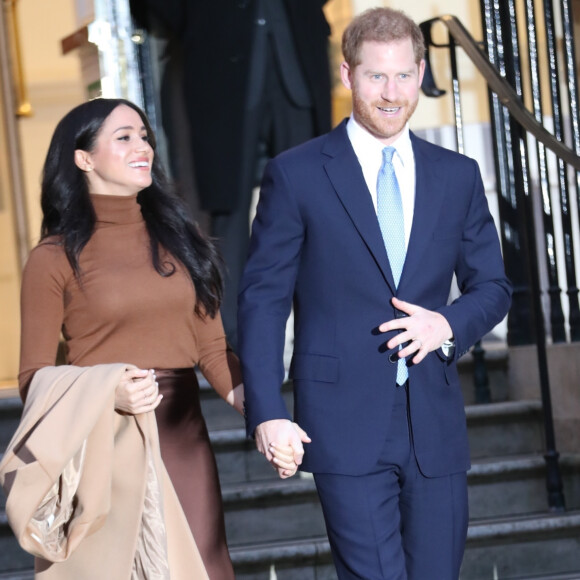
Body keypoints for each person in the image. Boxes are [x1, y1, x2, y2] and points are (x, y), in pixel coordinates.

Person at [238, 7, 512, 580]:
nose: (392, 94)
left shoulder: (457, 175)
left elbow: (493, 287)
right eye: (375, 77)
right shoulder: (297, 174)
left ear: (420, 74)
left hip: (434, 427)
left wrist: (448, 326)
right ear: (347, 76)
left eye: (404, 76)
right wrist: (267, 411)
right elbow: (264, 299)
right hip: (341, 423)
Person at [17, 98, 295, 579]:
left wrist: (267, 417)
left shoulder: (180, 239)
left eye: (144, 135)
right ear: (83, 158)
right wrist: (107, 387)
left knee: (204, 565)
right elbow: (32, 377)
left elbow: (211, 350)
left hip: (181, 435)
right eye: (123, 137)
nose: (142, 146)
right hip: (103, 440)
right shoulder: (53, 258)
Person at [138, 0, 333, 350]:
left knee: (313, 206)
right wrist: (198, 17)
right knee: (226, 207)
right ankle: (233, 341)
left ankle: (322, 331)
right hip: (220, 63)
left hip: (296, 55)